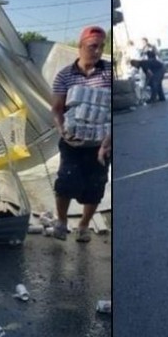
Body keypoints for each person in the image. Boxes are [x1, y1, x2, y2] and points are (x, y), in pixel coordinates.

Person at [50, 25, 112, 242]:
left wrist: (108, 141)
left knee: (96, 186)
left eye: (101, 47)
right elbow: (57, 109)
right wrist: (62, 131)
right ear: (81, 47)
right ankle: (61, 221)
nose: (97, 51)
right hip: (72, 143)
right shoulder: (65, 76)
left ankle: (84, 226)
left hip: (101, 144)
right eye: (92, 46)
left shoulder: (108, 73)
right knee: (66, 182)